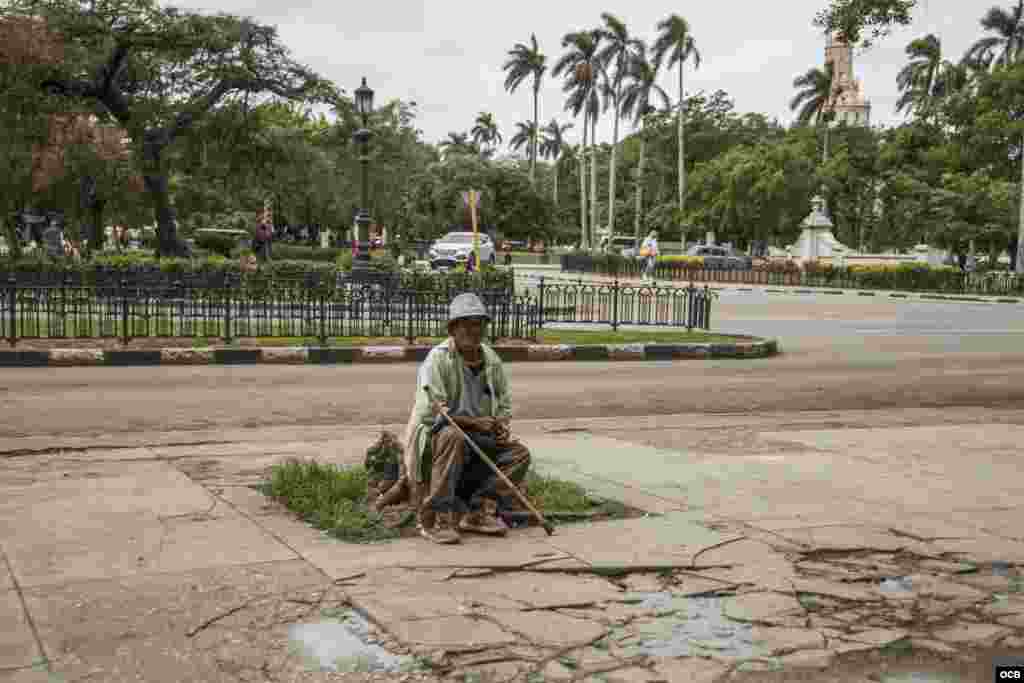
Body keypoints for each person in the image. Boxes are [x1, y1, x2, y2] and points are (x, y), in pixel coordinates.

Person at [398, 292, 532, 545]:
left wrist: (500, 424)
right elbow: (432, 413)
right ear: (453, 329)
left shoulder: (490, 359)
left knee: (518, 455)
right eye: (466, 324)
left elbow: (503, 403)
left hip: (478, 436)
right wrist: (473, 423)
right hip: (438, 437)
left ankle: (476, 509)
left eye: (478, 324)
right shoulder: (438, 359)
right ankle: (436, 517)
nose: (474, 331)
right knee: (453, 436)